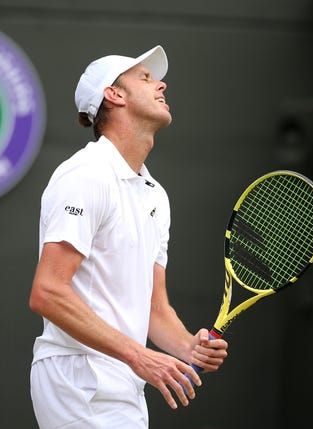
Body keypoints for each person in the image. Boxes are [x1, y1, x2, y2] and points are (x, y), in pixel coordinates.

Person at [28, 45, 229, 428]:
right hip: (79, 381)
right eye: (146, 77)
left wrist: (188, 345)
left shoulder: (155, 194)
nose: (161, 84)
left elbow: (154, 308)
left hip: (124, 384)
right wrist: (140, 355)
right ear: (114, 94)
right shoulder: (85, 174)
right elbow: (48, 292)